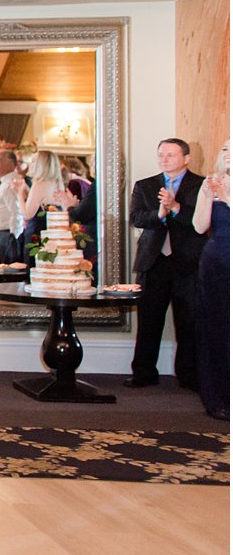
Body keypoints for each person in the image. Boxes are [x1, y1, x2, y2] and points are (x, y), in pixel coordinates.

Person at [126, 137, 206, 389]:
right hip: (154, 261)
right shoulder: (145, 185)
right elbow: (136, 218)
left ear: (186, 158)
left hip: (188, 262)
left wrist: (175, 207)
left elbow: (201, 223)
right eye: (161, 154)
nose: (164, 159)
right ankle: (143, 373)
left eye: (170, 154)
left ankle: (188, 376)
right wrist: (158, 214)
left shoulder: (201, 185)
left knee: (188, 321)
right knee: (149, 320)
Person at [192, 139, 229, 420]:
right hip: (216, 261)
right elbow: (199, 225)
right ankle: (216, 397)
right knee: (215, 327)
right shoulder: (212, 182)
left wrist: (227, 198)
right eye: (225, 148)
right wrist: (207, 195)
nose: (228, 154)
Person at [18, 150, 77, 256]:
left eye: (34, 161)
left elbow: (27, 214)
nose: (30, 165)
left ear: (42, 165)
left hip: (37, 235)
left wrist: (19, 195)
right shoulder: (57, 184)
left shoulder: (40, 184)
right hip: (53, 236)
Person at [0, 148, 27, 263]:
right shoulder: (5, 182)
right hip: (2, 233)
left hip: (8, 233)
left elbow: (17, 211)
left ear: (10, 164)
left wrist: (13, 238)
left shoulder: (12, 182)